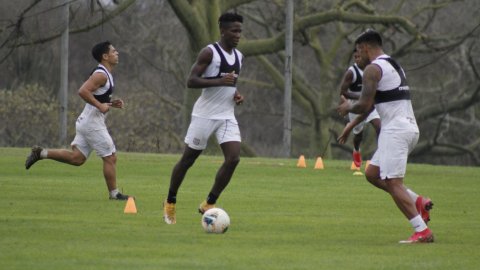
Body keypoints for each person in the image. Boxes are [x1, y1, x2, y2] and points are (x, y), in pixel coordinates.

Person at [338, 30, 434, 243]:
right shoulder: (392, 64)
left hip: (395, 132)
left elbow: (363, 105)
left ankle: (422, 231)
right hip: (408, 128)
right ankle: (419, 201)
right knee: (372, 174)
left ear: (365, 48)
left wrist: (348, 107)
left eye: (358, 52)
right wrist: (350, 126)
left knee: (393, 183)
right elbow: (371, 105)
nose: (357, 58)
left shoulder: (373, 68)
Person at [162, 12, 245, 225]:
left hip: (226, 115)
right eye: (234, 31)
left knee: (233, 158)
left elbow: (231, 84)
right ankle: (170, 201)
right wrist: (219, 82)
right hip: (204, 115)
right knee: (188, 160)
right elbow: (191, 81)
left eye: (240, 31)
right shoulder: (209, 53)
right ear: (223, 31)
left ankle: (209, 202)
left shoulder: (239, 56)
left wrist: (236, 95)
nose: (238, 35)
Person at [25, 41, 133, 200]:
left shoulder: (106, 74)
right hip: (92, 124)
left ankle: (41, 153)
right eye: (114, 51)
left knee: (77, 158)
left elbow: (96, 97)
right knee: (111, 157)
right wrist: (99, 105)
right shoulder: (101, 74)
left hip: (87, 121)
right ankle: (115, 195)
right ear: (105, 56)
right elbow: (83, 91)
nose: (117, 53)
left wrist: (110, 104)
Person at [338, 47, 381, 167]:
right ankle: (356, 151)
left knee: (379, 126)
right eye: (355, 57)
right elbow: (342, 92)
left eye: (359, 56)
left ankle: (382, 154)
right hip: (355, 106)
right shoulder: (351, 72)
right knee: (358, 135)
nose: (358, 59)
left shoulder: (373, 69)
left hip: (371, 105)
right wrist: (361, 99)